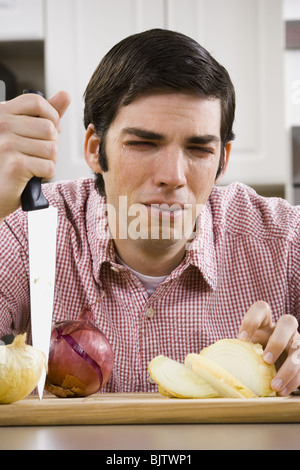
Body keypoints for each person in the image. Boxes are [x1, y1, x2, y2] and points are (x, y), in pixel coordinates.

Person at [0, 28, 299, 395]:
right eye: (143, 144)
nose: (172, 177)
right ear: (95, 149)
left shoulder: (284, 240)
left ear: (223, 160)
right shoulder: (22, 232)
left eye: (199, 150)